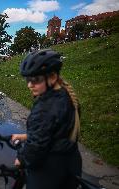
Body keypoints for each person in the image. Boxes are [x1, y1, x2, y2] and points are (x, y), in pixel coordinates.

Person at [12, 49, 82, 189]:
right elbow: (55, 132)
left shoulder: (45, 109)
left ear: (52, 77)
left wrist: (21, 159)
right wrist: (26, 136)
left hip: (50, 170)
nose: (29, 85)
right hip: (70, 162)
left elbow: (36, 148)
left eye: (35, 80)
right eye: (28, 79)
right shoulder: (65, 94)